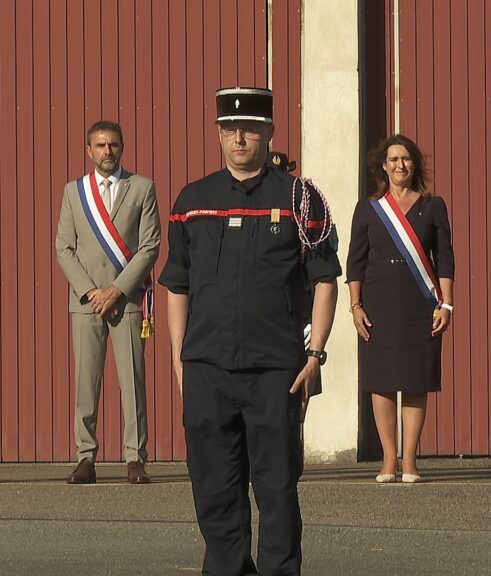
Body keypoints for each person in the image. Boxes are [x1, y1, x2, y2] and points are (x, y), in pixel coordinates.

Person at [159, 87, 340, 576]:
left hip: (275, 370)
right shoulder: (192, 201)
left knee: (276, 488)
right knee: (214, 489)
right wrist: (179, 358)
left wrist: (315, 355)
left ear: (269, 132)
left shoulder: (300, 199)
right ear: (219, 134)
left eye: (251, 128)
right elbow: (177, 285)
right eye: (230, 129)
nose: (240, 137)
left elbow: (325, 281)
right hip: (207, 369)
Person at [55, 121, 161, 485]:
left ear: (122, 147)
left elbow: (150, 246)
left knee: (132, 380)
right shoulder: (74, 192)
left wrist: (116, 290)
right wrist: (91, 292)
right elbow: (63, 248)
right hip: (86, 303)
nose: (106, 151)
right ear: (89, 150)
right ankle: (86, 457)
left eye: (112, 145)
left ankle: (135, 457)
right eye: (99, 145)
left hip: (126, 300)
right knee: (87, 382)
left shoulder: (142, 188)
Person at [345, 134, 455, 484]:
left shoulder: (433, 206)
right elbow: (355, 262)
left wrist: (446, 304)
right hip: (378, 304)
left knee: (414, 381)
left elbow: (446, 260)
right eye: (393, 159)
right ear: (383, 165)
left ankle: (410, 460)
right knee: (381, 382)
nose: (399, 165)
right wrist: (355, 306)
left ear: (415, 164)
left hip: (420, 304)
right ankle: (388, 460)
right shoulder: (368, 208)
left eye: (405, 159)